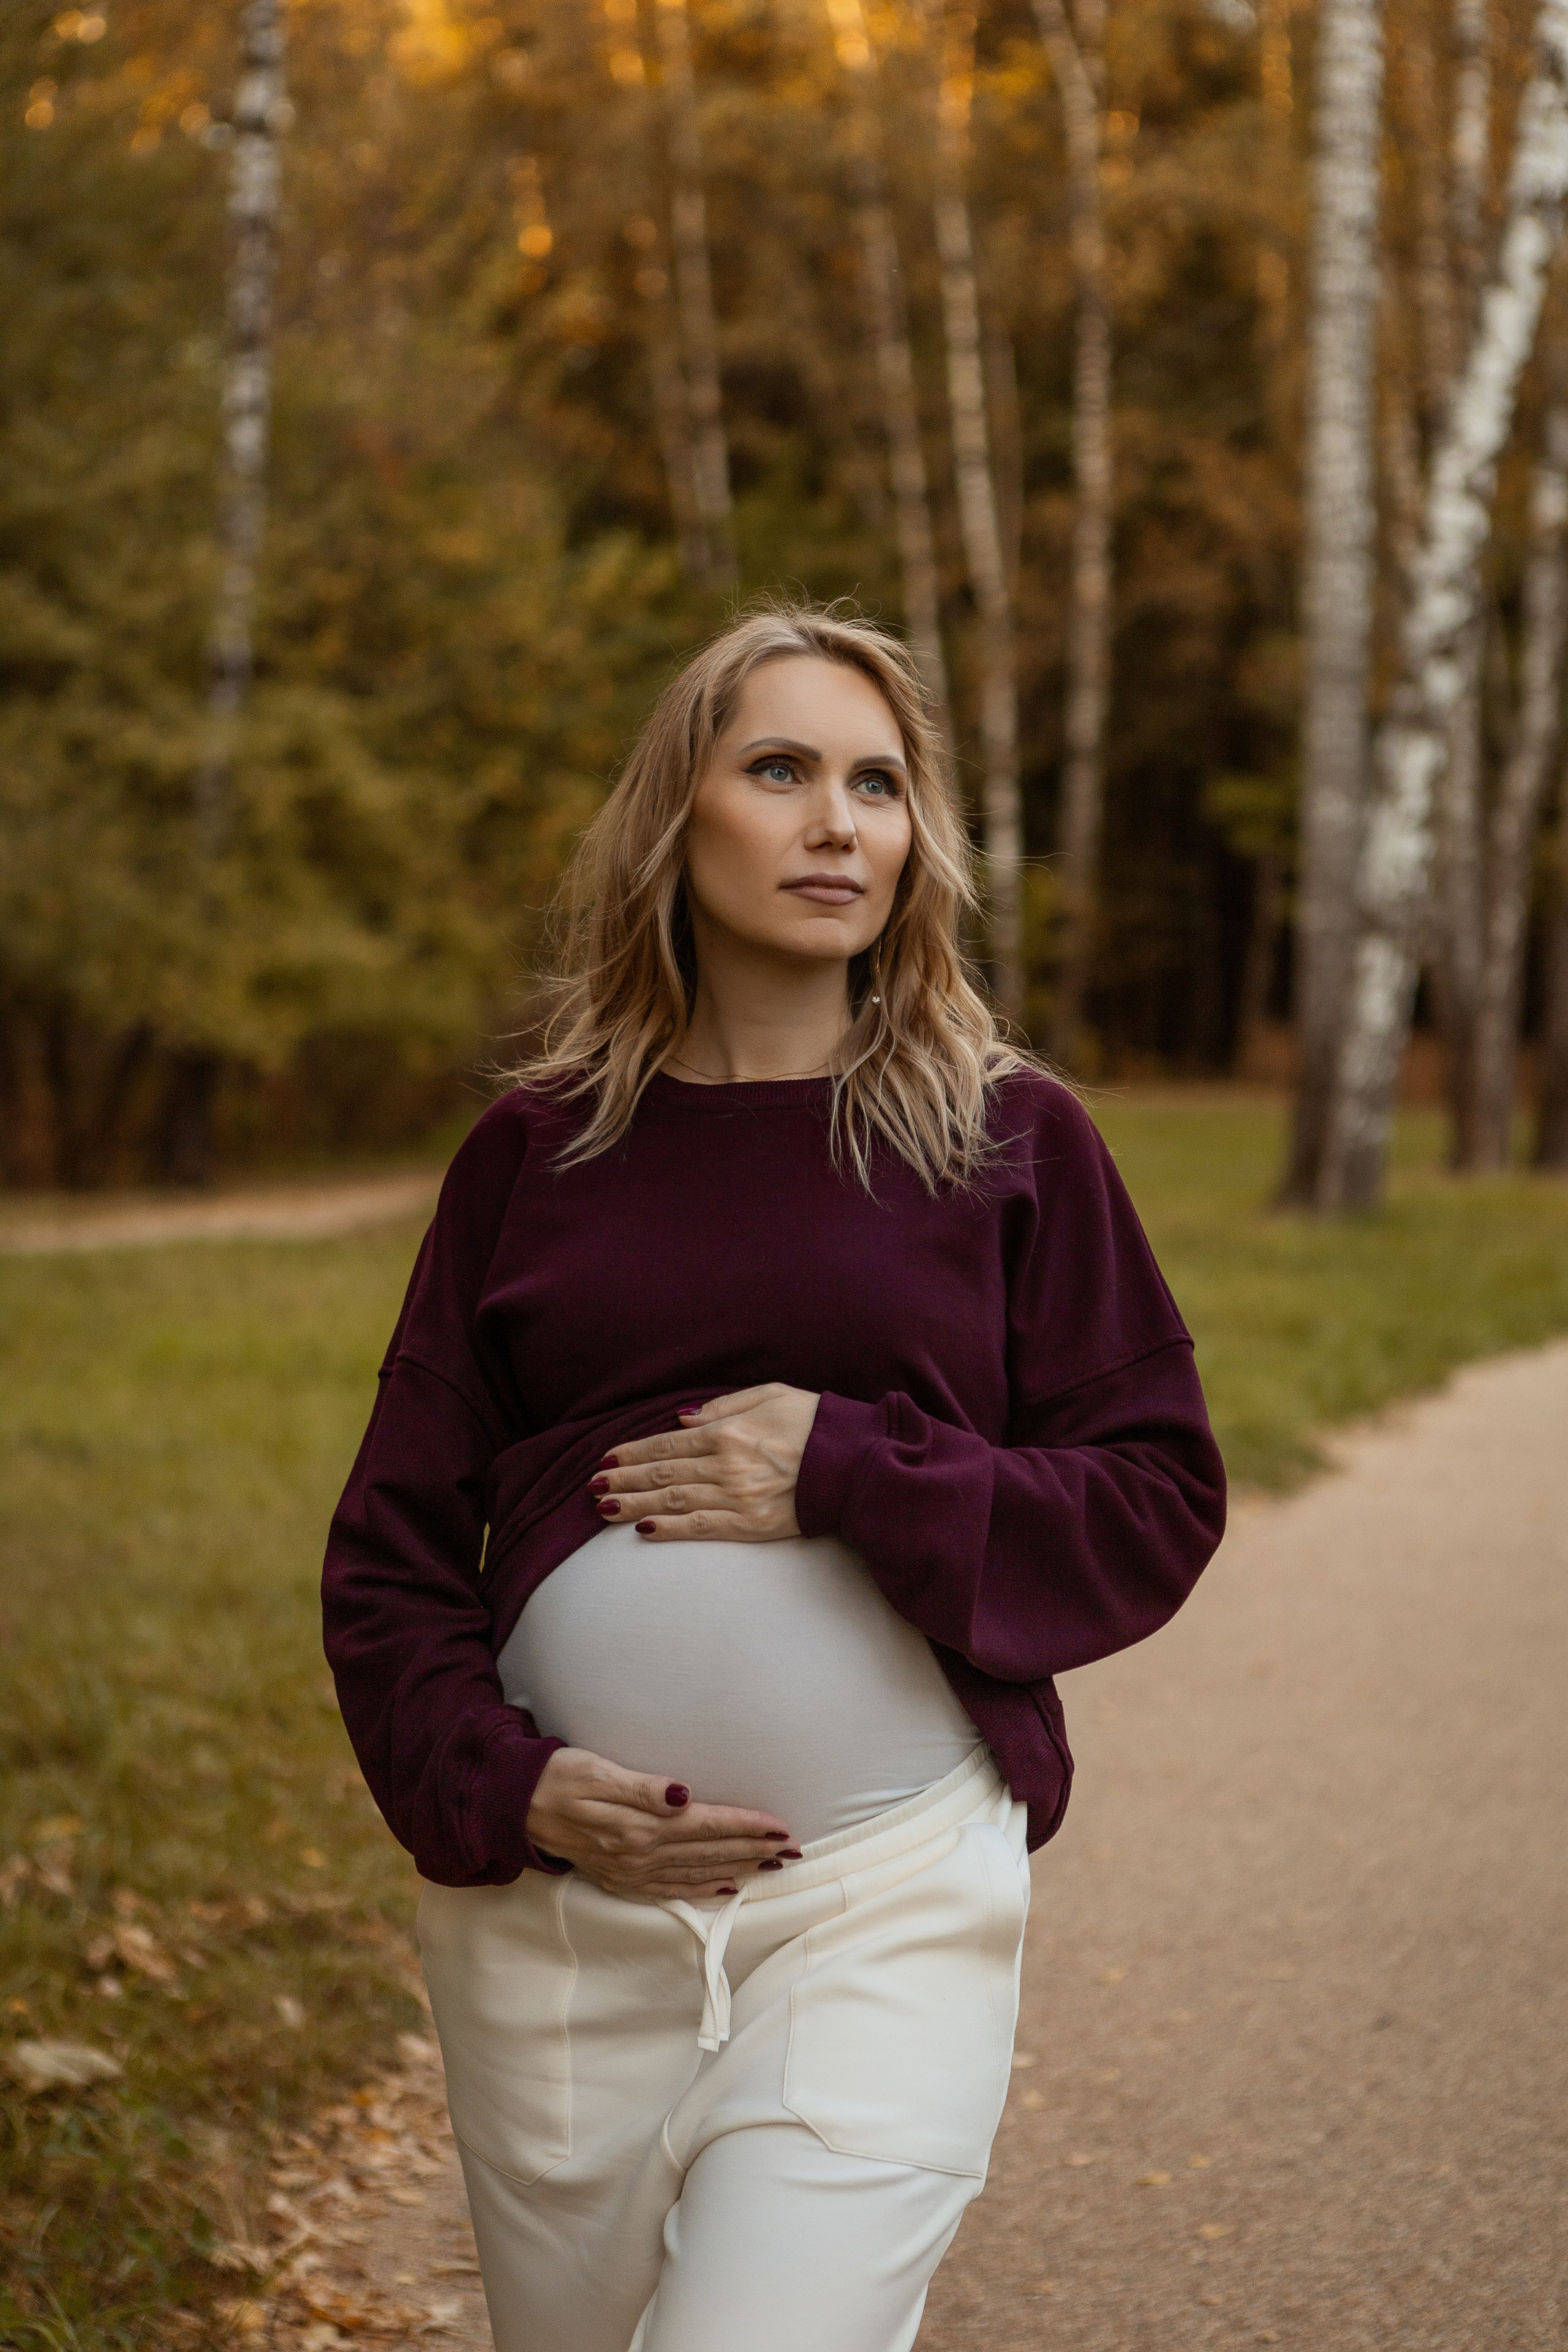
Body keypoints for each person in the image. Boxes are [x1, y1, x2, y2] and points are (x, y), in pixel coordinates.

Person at [322, 601, 1226, 2352]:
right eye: (782, 771)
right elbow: (392, 1557)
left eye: (879, 784)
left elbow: (1154, 1499)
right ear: (678, 816)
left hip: (888, 1902)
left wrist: (849, 1465)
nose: (838, 824)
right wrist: (510, 1789)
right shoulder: (535, 1152)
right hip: (565, 1936)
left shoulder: (1010, 1137)